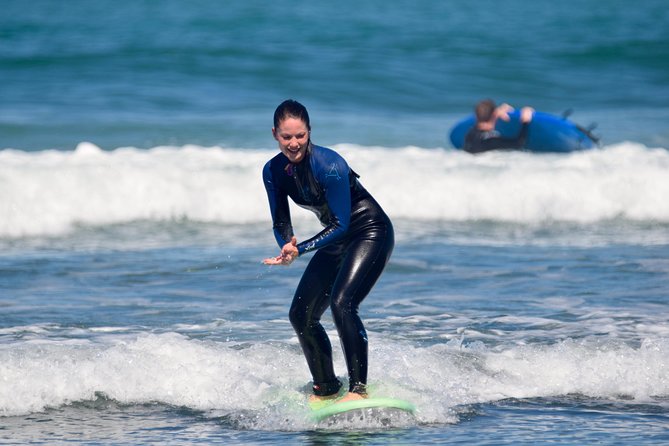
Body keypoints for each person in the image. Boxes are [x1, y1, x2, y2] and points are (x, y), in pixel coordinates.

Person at [262, 99, 394, 405]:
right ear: (274, 134)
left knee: (342, 303)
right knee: (300, 315)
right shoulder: (273, 171)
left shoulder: (330, 164)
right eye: (286, 137)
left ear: (310, 132)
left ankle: (358, 390)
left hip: (368, 232)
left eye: (300, 136)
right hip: (336, 238)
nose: (294, 143)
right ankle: (326, 387)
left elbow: (341, 223)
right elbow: (280, 221)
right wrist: (285, 243)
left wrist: (302, 248)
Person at [464, 99, 535, 153]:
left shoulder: (470, 135)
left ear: (476, 116)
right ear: (494, 115)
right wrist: (525, 122)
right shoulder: (494, 141)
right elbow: (519, 144)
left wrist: (496, 113)